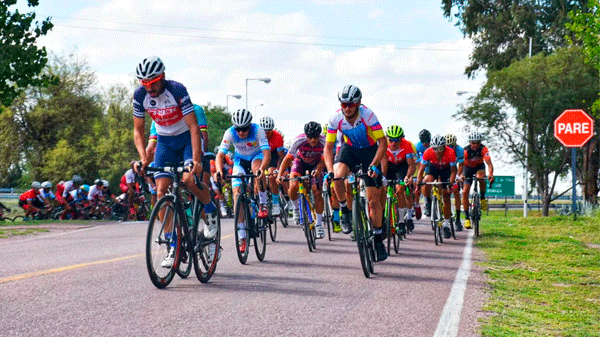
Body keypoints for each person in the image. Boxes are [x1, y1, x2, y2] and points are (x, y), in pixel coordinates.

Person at [132, 56, 218, 268]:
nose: (149, 88)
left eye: (153, 83)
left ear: (162, 77)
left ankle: (211, 209)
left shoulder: (177, 90)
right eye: (145, 84)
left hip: (186, 139)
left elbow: (193, 128)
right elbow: (138, 130)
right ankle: (173, 244)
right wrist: (144, 158)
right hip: (165, 142)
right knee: (160, 192)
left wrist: (197, 160)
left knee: (189, 181)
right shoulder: (139, 95)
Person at [323, 85, 388, 262]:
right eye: (344, 104)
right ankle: (344, 209)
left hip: (369, 151)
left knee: (374, 199)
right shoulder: (335, 118)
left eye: (351, 104)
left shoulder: (368, 115)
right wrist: (329, 170)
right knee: (337, 174)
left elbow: (383, 143)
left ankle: (377, 239)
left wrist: (375, 165)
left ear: (358, 103)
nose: (347, 108)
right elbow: (328, 148)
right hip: (349, 149)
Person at [213, 108, 270, 253]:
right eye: (238, 129)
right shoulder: (230, 133)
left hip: (257, 157)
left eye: (244, 129)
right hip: (240, 161)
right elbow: (220, 155)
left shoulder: (258, 130)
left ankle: (263, 204)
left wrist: (262, 169)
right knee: (237, 194)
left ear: (249, 126)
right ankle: (242, 236)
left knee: (257, 169)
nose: (241, 133)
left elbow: (266, 153)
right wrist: (219, 171)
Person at [277, 122, 326, 238]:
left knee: (317, 192)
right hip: (300, 162)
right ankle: (295, 208)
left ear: (319, 135)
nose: (313, 140)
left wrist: (318, 170)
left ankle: (319, 224)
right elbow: (287, 158)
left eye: (316, 137)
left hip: (316, 164)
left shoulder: (324, 141)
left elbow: (324, 160)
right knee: (293, 185)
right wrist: (280, 174)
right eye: (310, 137)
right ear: (306, 135)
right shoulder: (299, 140)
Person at [416, 135, 457, 239]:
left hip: (445, 169)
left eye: (440, 149)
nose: (437, 151)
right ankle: (428, 202)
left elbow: (453, 171)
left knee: (446, 196)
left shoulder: (450, 152)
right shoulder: (428, 152)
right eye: (435, 149)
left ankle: (446, 225)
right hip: (433, 167)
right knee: (426, 181)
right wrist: (419, 182)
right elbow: (421, 170)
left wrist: (450, 184)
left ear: (444, 147)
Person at [380, 125, 417, 235]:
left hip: (402, 166)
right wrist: (383, 177)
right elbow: (383, 164)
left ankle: (401, 222)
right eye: (391, 140)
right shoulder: (384, 144)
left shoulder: (407, 145)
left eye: (397, 140)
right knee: (383, 188)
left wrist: (407, 176)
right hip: (389, 166)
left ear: (401, 139)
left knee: (400, 189)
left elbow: (411, 165)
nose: (394, 143)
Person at [460, 131, 494, 229]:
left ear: (480, 143)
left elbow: (489, 164)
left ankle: (482, 198)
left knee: (480, 178)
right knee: (465, 191)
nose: (475, 145)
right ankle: (467, 218)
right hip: (467, 169)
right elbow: (461, 165)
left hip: (479, 167)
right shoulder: (465, 151)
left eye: (477, 143)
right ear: (470, 142)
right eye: (473, 143)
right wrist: (461, 175)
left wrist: (491, 174)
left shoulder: (483, 149)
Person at [260, 116, 286, 216]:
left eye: (269, 131)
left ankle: (275, 202)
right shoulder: (257, 135)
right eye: (264, 131)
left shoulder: (277, 137)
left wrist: (279, 170)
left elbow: (281, 157)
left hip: (273, 155)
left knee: (271, 176)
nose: (266, 134)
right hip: (260, 154)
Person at [445, 133, 465, 231]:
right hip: (445, 170)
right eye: (448, 146)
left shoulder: (460, 150)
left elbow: (461, 165)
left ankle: (457, 219)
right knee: (444, 193)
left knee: (456, 192)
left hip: (455, 170)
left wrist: (458, 175)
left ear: (455, 145)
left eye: (452, 146)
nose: (450, 148)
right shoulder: (443, 151)